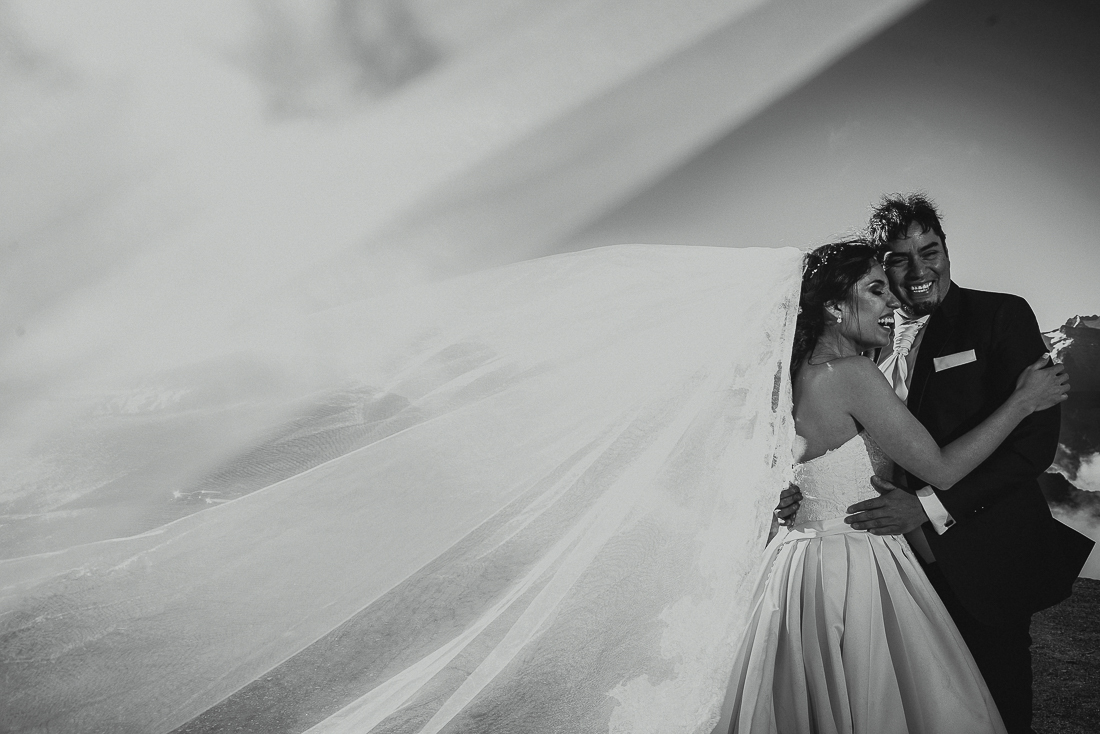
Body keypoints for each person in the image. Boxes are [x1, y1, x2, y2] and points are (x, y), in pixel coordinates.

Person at [727, 239, 1070, 733]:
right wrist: (1022, 401)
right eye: (876, 290)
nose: (892, 300)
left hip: (802, 567)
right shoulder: (853, 373)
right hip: (858, 564)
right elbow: (942, 470)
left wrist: (788, 491)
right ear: (833, 307)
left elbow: (789, 460)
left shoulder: (792, 373)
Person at [840, 194, 1095, 733]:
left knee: (997, 707)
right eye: (900, 259)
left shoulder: (1000, 315)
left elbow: (1033, 446)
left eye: (929, 252)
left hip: (983, 557)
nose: (919, 271)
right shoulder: (863, 341)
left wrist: (928, 508)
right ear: (881, 268)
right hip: (883, 562)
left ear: (946, 249)